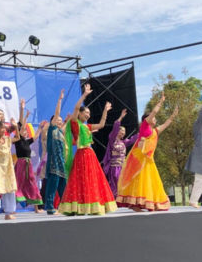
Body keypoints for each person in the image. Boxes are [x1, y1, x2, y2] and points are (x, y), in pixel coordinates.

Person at [59, 87, 117, 216]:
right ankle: (78, 207)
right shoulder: (75, 123)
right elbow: (76, 108)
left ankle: (92, 207)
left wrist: (105, 111)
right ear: (80, 114)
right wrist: (84, 95)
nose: (88, 115)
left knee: (92, 180)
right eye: (86, 113)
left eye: (89, 113)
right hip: (81, 155)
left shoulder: (87, 126)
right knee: (80, 181)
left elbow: (101, 125)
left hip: (90, 156)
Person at [117, 93, 178, 212]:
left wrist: (173, 116)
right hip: (140, 159)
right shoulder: (145, 126)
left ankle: (151, 204)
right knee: (138, 182)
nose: (155, 119)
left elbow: (166, 124)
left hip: (149, 161)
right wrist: (161, 102)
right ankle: (134, 204)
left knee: (149, 183)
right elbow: (154, 112)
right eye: (153, 118)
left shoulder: (155, 131)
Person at [14, 99, 45, 209]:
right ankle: (11, 207)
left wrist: (40, 128)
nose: (25, 132)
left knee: (32, 183)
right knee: (19, 184)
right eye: (23, 131)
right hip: (20, 164)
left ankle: (36, 207)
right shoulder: (17, 140)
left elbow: (35, 137)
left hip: (28, 164)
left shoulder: (27, 142)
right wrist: (23, 111)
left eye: (26, 132)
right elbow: (21, 125)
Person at [101, 108, 137, 197]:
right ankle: (113, 200)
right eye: (122, 131)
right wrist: (121, 117)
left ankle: (121, 200)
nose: (123, 133)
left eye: (124, 132)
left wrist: (143, 132)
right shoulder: (112, 140)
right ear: (117, 131)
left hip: (123, 167)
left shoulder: (123, 142)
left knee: (123, 184)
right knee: (115, 184)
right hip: (115, 167)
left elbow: (133, 139)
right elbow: (115, 127)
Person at [43, 89, 68, 215]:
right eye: (58, 120)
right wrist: (60, 100)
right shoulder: (52, 129)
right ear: (53, 122)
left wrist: (67, 121)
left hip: (61, 162)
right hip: (53, 162)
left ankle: (66, 206)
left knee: (63, 184)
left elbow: (65, 126)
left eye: (61, 121)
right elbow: (57, 113)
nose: (60, 121)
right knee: (53, 184)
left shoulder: (60, 132)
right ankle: (49, 206)